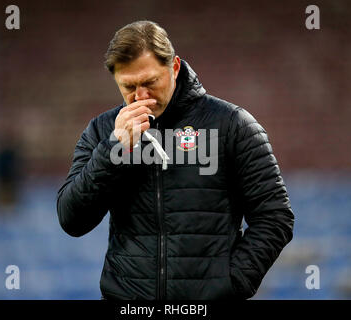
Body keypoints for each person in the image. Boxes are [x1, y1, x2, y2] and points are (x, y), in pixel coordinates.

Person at [57, 20, 294, 300]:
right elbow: (72, 220)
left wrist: (230, 285)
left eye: (150, 82)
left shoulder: (232, 124)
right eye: (128, 86)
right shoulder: (103, 130)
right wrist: (113, 150)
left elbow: (275, 217)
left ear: (175, 68)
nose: (141, 96)